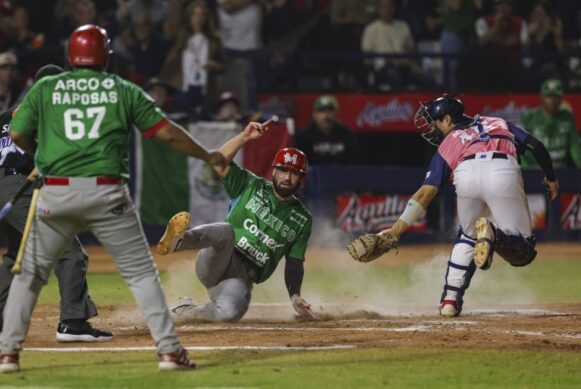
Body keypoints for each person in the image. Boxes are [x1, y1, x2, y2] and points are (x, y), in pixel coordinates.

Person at [0, 24, 228, 373]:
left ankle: (8, 354)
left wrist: (44, 155)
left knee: (29, 272)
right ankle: (169, 352)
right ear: (106, 55)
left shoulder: (46, 88)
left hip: (55, 190)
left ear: (70, 56)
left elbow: (16, 132)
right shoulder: (121, 89)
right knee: (140, 273)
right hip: (107, 192)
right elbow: (165, 133)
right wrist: (207, 155)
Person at [379, 95, 558, 318]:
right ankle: (494, 235)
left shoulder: (450, 141)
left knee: (467, 236)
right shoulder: (497, 122)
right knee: (523, 251)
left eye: (435, 121)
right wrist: (551, 178)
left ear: (447, 118)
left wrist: (396, 230)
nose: (434, 128)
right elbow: (536, 145)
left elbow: (426, 193)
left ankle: (449, 302)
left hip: (466, 173)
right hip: (502, 170)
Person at [158, 120, 316, 322]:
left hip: (239, 278)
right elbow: (218, 161)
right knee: (226, 231)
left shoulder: (302, 219)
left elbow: (294, 263)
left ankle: (184, 310)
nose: (287, 177)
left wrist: (295, 296)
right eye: (284, 170)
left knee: (229, 314)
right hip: (218, 258)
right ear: (274, 171)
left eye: (294, 173)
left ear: (302, 180)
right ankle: (177, 241)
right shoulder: (251, 184)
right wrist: (244, 137)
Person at [0, 64, 112, 343]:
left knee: (18, 256)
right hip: (20, 185)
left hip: (7, 186)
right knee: (69, 250)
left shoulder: (6, 114)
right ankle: (73, 322)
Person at [520, 79, 581, 169]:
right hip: (535, 169)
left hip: (561, 169)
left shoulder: (567, 117)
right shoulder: (529, 118)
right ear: (542, 98)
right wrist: (525, 171)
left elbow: (574, 143)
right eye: (549, 96)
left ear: (561, 99)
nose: (553, 100)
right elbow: (518, 147)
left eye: (556, 96)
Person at [293, 95, 361, 165]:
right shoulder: (302, 137)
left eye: (330, 111)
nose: (326, 115)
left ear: (336, 113)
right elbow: (298, 166)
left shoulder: (348, 136)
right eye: (322, 111)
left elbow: (356, 165)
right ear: (314, 114)